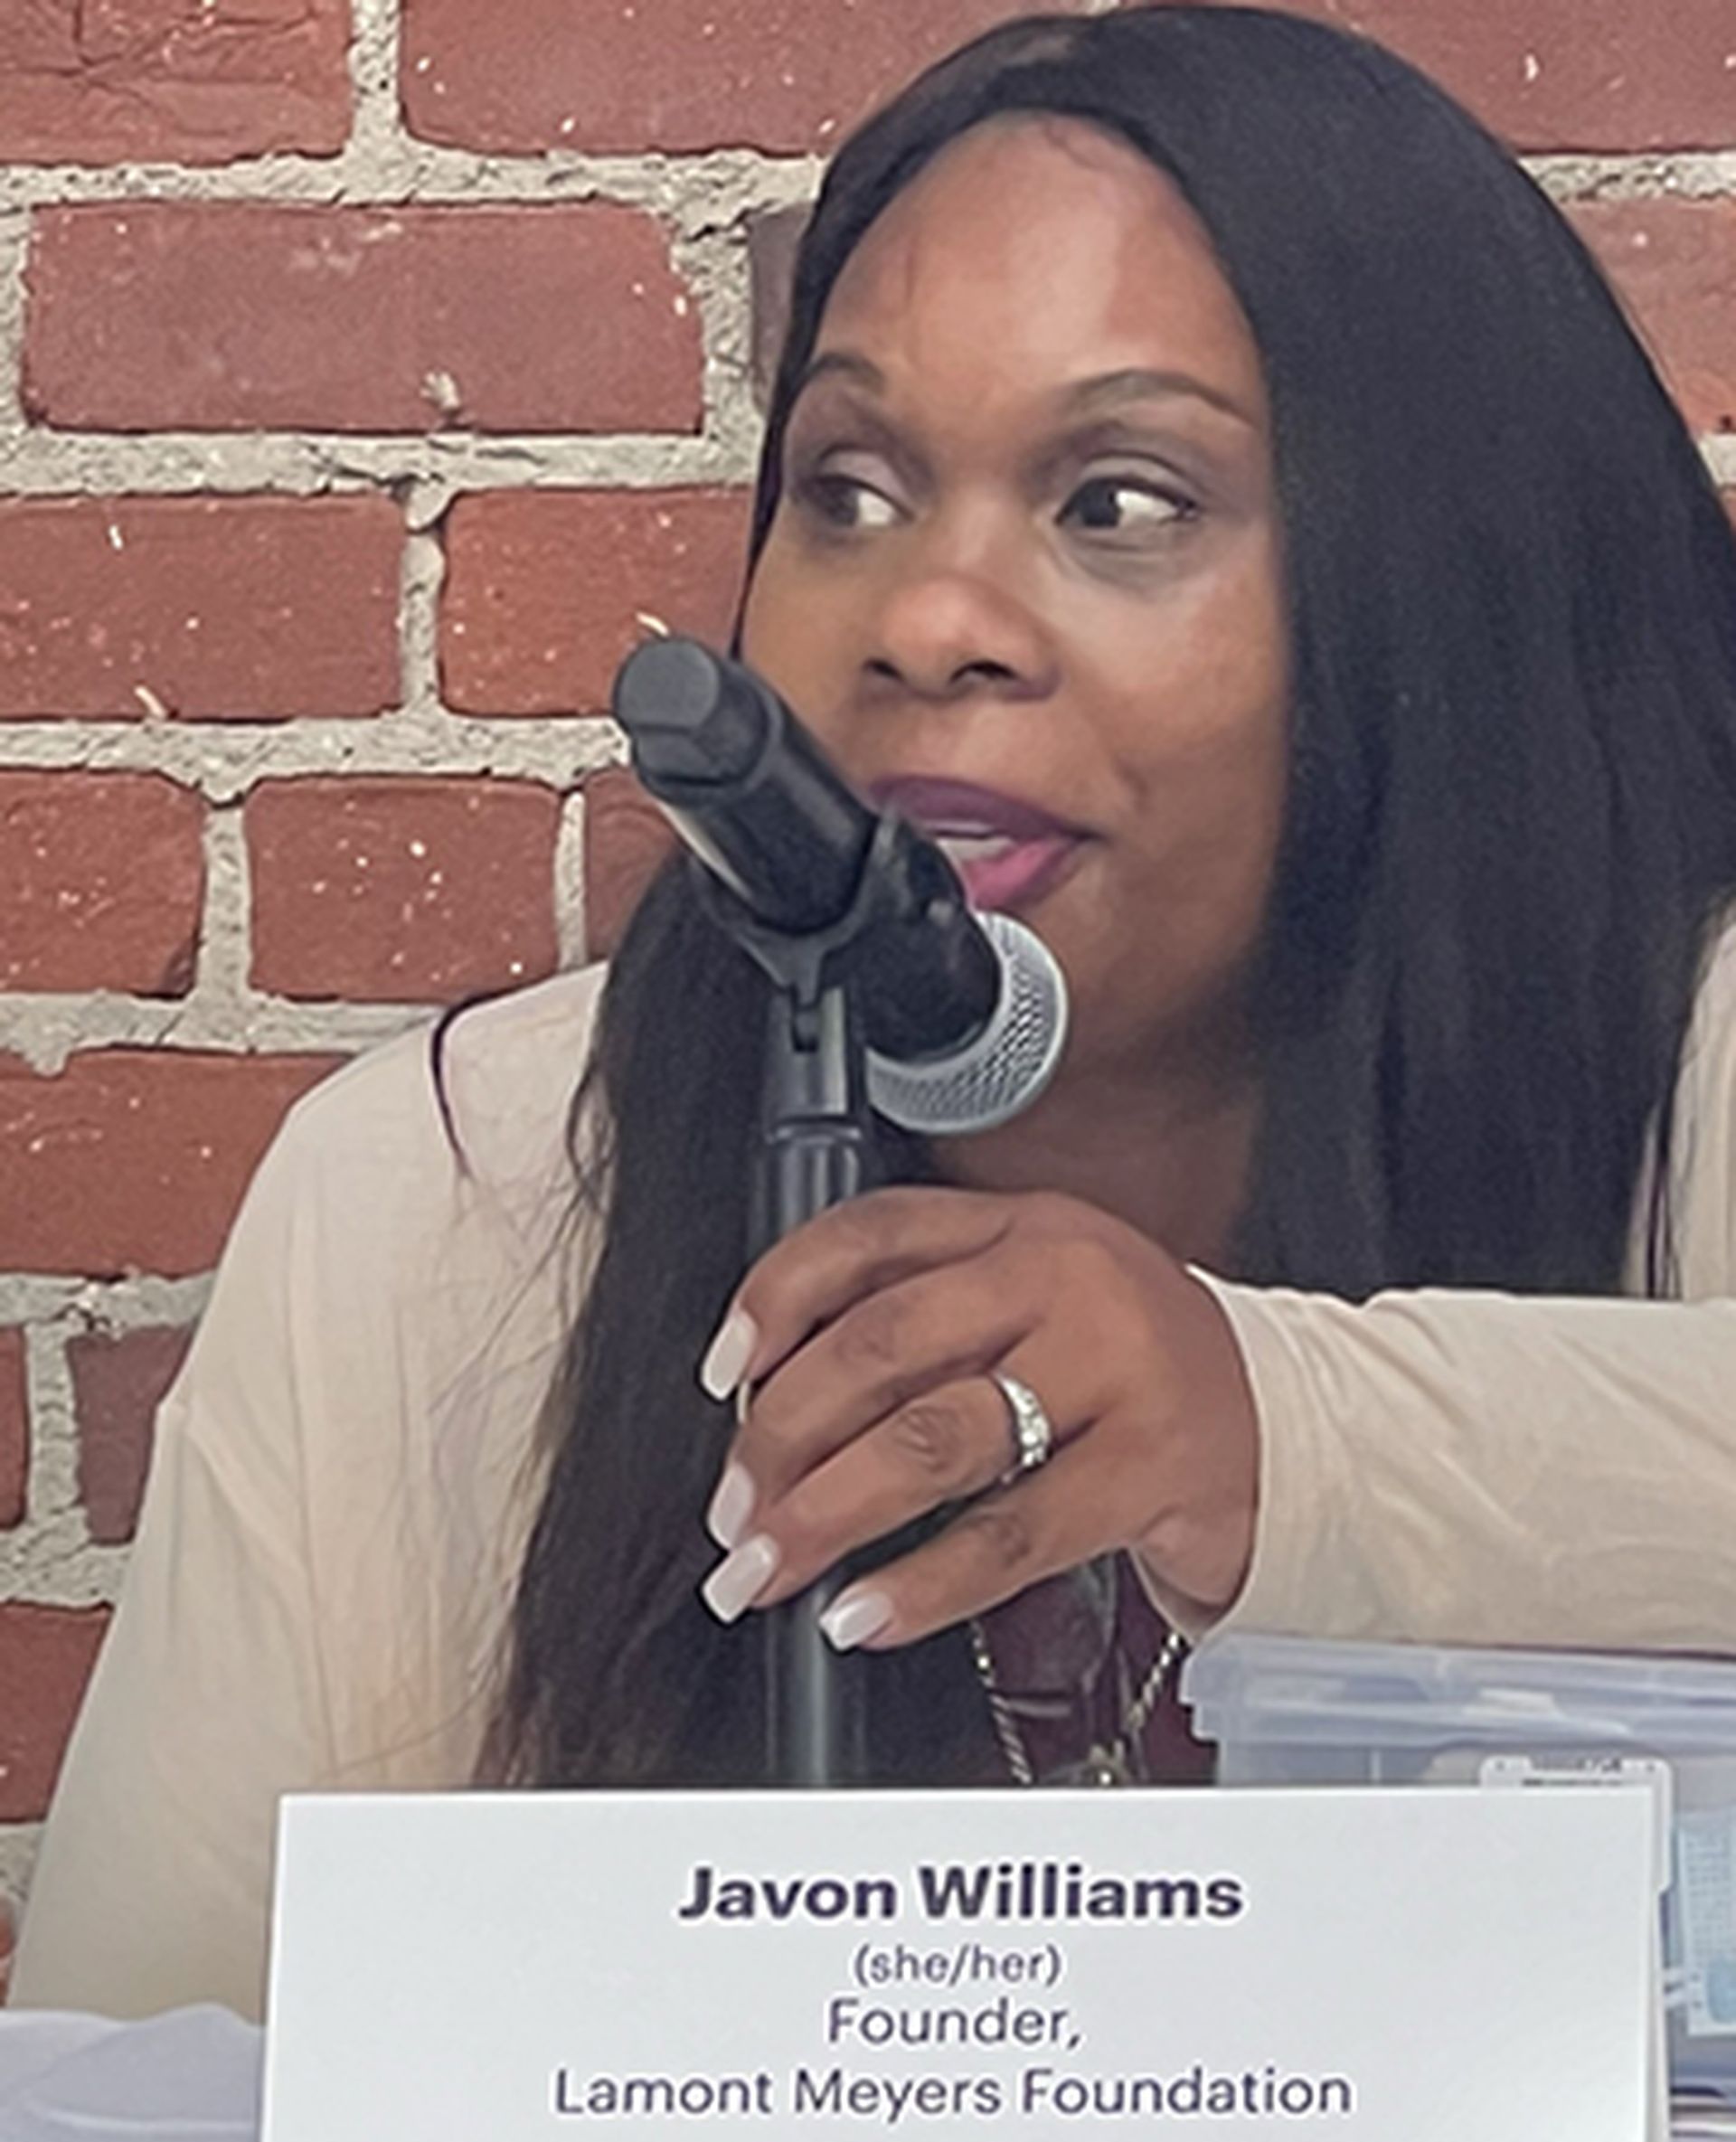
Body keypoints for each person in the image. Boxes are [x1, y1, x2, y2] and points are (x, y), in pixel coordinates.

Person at [12, 5, 1736, 2023]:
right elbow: (129, 2100)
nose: (925, 617)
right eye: (848, 486)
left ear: (1435, 590)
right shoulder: (448, 1197)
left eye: (1120, 502)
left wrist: (1285, 1430)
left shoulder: (1682, 1046)